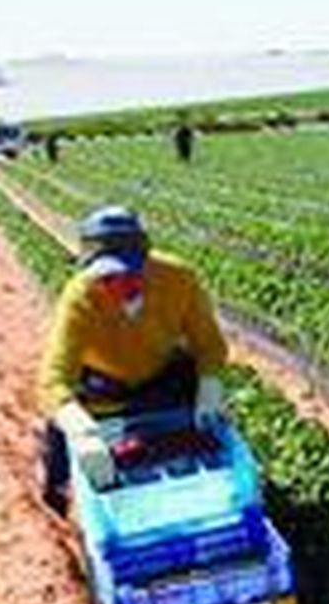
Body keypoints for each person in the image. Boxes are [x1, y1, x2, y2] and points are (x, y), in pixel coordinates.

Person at [38, 206, 229, 512]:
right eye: (107, 276)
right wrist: (80, 428)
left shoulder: (178, 279)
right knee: (61, 447)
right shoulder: (80, 297)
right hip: (103, 390)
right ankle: (58, 496)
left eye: (130, 272)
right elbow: (54, 377)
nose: (120, 285)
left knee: (204, 435)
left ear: (146, 260)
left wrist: (209, 386)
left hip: (161, 379)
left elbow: (209, 344)